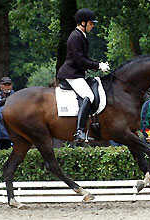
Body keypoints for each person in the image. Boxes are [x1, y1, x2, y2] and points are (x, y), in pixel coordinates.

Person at [57, 8, 110, 142]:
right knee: (89, 96)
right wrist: (98, 66)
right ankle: (79, 131)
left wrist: (99, 63)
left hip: (77, 72)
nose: (93, 26)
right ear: (83, 23)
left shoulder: (81, 35)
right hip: (71, 73)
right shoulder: (75, 37)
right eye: (91, 23)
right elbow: (80, 60)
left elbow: (84, 58)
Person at [0, 77, 14, 149]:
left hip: (15, 134)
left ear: (11, 85)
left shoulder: (16, 97)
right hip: (1, 136)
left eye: (9, 84)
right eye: (5, 84)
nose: (7, 86)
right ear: (1, 86)